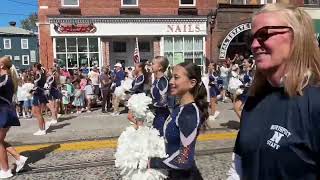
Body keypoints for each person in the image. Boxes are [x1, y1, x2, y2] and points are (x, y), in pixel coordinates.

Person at [227, 4, 320, 179]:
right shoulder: (254, 101)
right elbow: (238, 167)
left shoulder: (315, 102)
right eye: (251, 38)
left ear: (297, 37)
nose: (254, 45)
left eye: (264, 35)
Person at [148, 62, 208, 179]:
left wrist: (150, 163)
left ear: (192, 83)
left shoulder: (188, 112)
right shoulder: (179, 107)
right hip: (173, 174)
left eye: (176, 77)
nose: (170, 81)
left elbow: (184, 160)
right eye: (171, 77)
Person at [0, 56, 28, 178]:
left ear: (2, 65)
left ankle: (5, 170)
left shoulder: (5, 78)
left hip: (4, 112)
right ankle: (19, 158)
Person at [150, 56, 170, 137]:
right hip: (157, 114)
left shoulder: (162, 80)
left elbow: (164, 101)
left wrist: (151, 105)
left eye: (153, 64)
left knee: (159, 139)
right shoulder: (157, 79)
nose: (151, 66)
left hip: (162, 116)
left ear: (160, 67)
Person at [32, 63, 50, 136]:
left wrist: (31, 91)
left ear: (36, 68)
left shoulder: (38, 75)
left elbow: (36, 87)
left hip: (38, 95)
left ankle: (41, 129)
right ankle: (43, 128)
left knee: (38, 113)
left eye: (33, 67)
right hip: (40, 94)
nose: (32, 69)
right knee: (35, 112)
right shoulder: (42, 75)